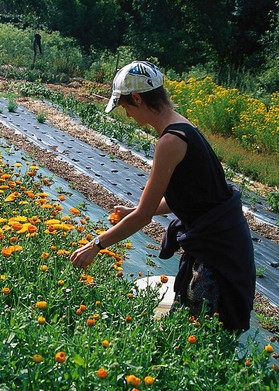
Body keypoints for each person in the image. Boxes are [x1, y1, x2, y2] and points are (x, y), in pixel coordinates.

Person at [69, 61, 256, 333]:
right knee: (195, 326)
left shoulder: (171, 141)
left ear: (137, 98)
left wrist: (96, 245)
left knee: (204, 332)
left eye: (125, 107)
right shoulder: (182, 126)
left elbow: (143, 218)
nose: (128, 114)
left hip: (219, 253)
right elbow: (191, 196)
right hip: (224, 243)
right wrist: (136, 208)